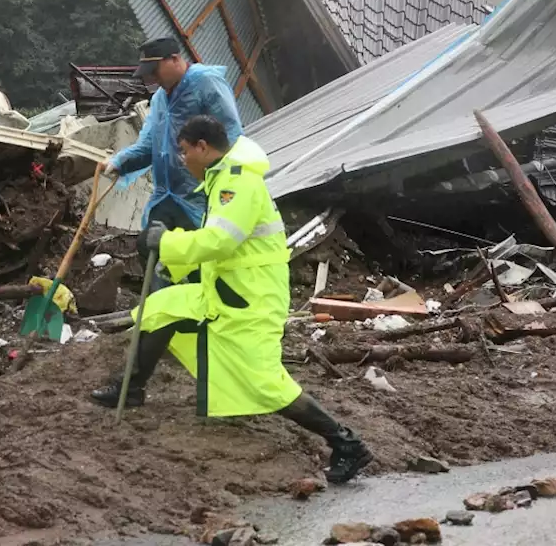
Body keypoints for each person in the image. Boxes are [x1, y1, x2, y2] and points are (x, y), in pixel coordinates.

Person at [91, 115, 373, 485]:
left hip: (250, 299)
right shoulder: (221, 179)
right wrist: (172, 264)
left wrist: (166, 242)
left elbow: (220, 242)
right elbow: (218, 244)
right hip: (225, 291)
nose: (182, 159)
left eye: (184, 151)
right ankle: (132, 388)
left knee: (265, 383)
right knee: (160, 309)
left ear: (203, 148)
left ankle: (346, 442)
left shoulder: (237, 185)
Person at [106, 37, 243, 291]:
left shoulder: (206, 83)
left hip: (199, 197)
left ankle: (201, 309)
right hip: (166, 196)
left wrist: (220, 181)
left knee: (199, 260)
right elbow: (149, 144)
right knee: (150, 248)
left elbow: (231, 136)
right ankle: (160, 313)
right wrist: (120, 162)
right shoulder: (159, 99)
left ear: (175, 59)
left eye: (155, 70)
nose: (153, 78)